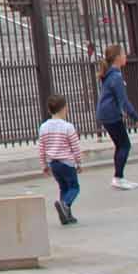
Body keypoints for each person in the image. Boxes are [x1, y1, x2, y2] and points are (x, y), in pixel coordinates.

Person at [95, 44, 138, 189]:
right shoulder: (115, 76)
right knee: (124, 145)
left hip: (106, 113)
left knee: (120, 145)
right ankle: (118, 178)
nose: (125, 56)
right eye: (123, 54)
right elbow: (124, 101)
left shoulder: (112, 73)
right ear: (117, 58)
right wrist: (136, 117)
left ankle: (118, 177)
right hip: (110, 114)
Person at [38, 94, 83, 225]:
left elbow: (41, 148)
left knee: (63, 188)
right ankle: (65, 205)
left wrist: (44, 165)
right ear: (64, 109)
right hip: (67, 163)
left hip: (54, 164)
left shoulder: (44, 127)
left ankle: (66, 215)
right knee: (74, 188)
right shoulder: (67, 127)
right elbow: (75, 146)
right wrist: (78, 162)